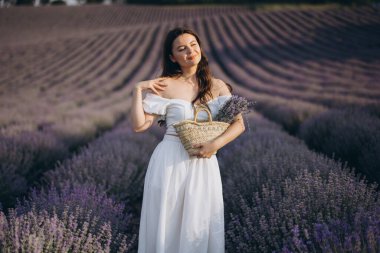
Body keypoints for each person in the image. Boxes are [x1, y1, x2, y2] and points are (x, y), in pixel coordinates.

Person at [130, 27, 246, 253]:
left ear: (200, 49)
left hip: (204, 161)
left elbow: (239, 124)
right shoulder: (164, 85)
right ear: (173, 57)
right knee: (168, 223)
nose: (190, 52)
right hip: (170, 161)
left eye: (193, 45)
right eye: (182, 49)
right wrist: (137, 90)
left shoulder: (218, 85)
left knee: (198, 224)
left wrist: (215, 145)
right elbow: (139, 125)